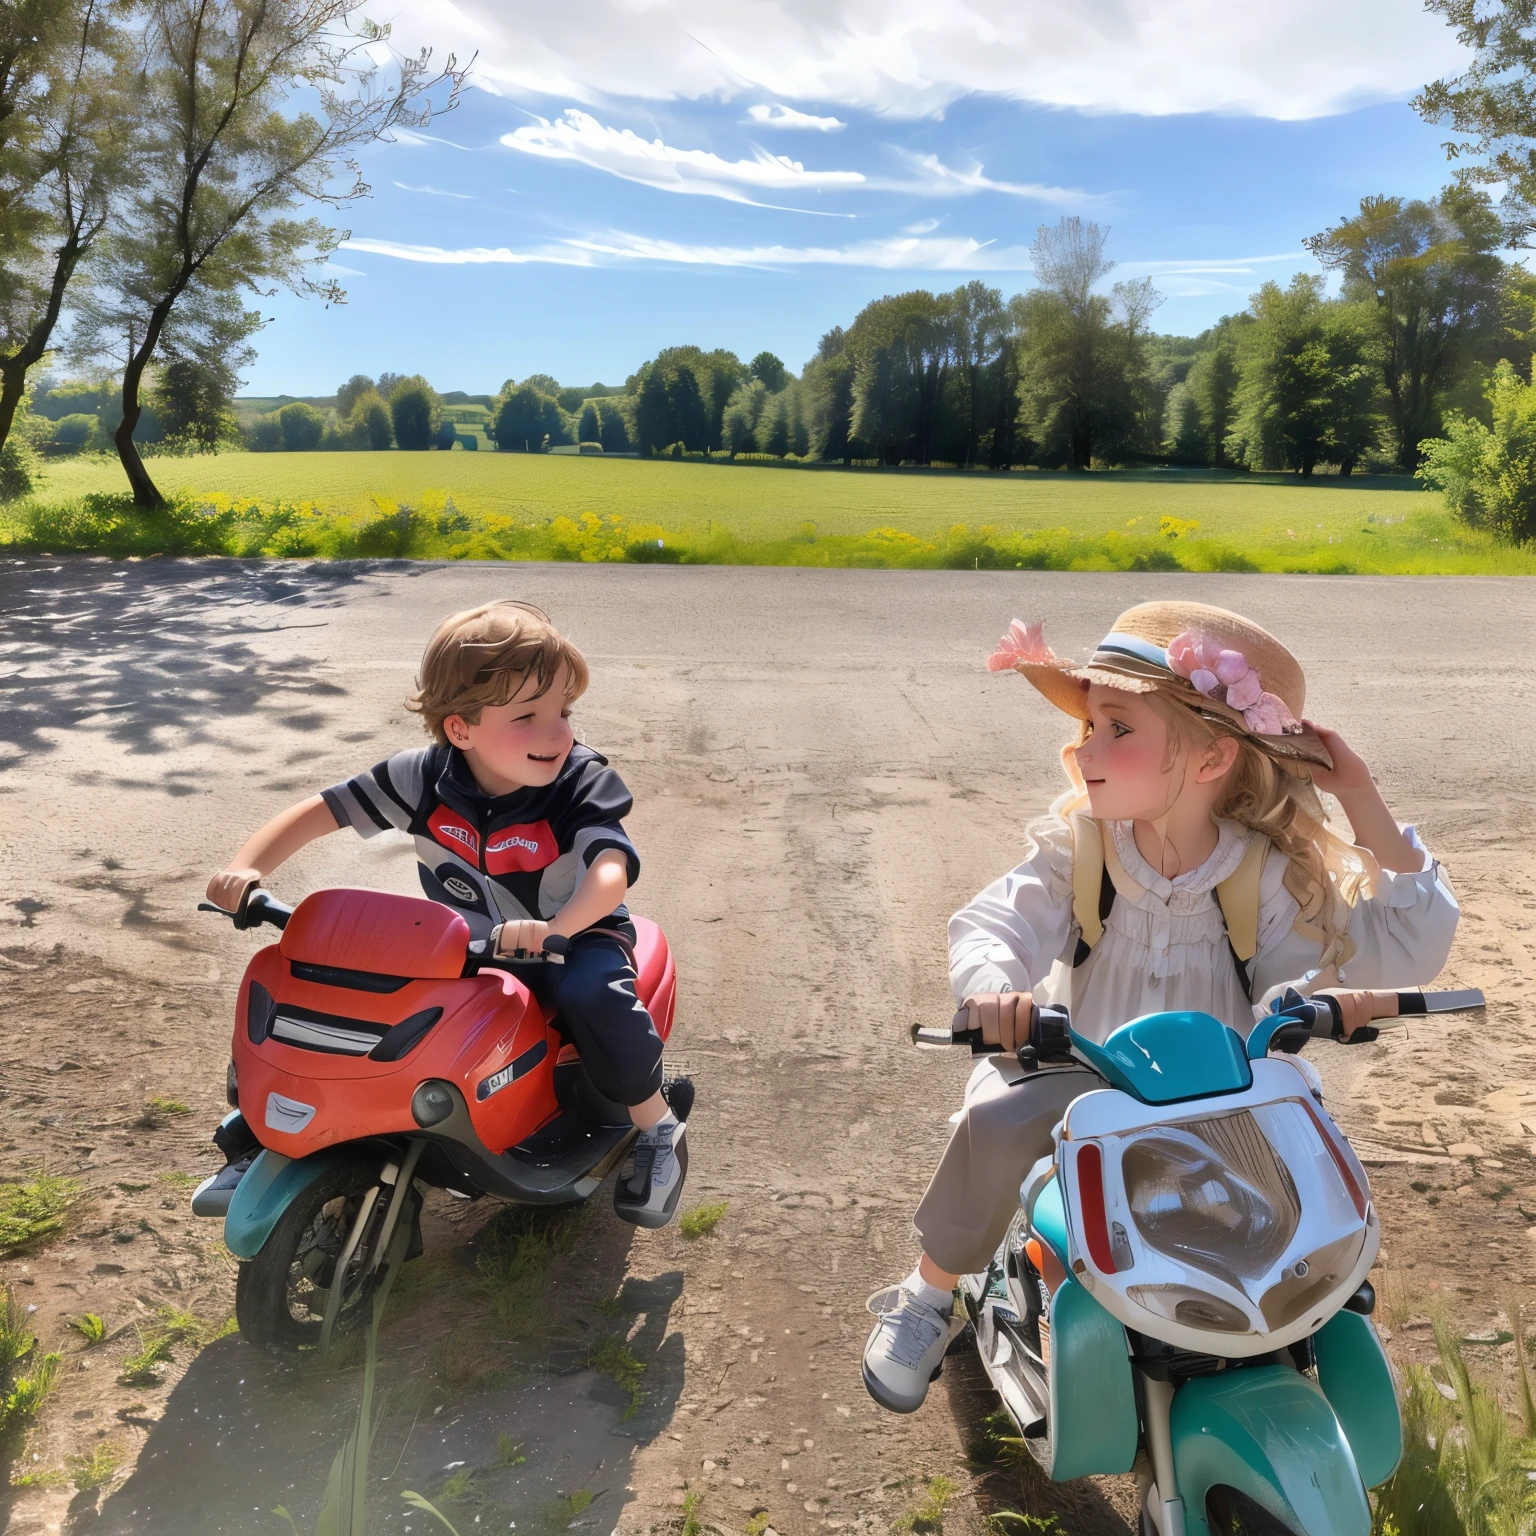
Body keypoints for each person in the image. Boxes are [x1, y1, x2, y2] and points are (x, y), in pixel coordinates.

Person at [861, 600, 1460, 1413]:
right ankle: (931, 1291)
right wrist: (994, 987)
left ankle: (1311, 1310)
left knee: (1310, 1160)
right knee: (1000, 1123)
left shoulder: (1265, 873)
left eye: (1117, 728)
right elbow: (996, 919)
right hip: (1087, 1076)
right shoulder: (1079, 850)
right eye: (1089, 726)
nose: (1083, 750)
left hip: (1220, 1093)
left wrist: (1358, 807)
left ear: (1213, 757)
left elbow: (1405, 947)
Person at [204, 600, 687, 1228]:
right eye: (528, 717)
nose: (557, 733)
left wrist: (558, 930)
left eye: (563, 712)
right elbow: (321, 811)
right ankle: (265, 1130)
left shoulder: (578, 781)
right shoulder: (422, 777)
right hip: (463, 940)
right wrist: (247, 865)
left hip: (576, 935)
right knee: (339, 988)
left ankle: (656, 1127)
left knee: (591, 992)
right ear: (460, 730)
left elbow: (609, 872)